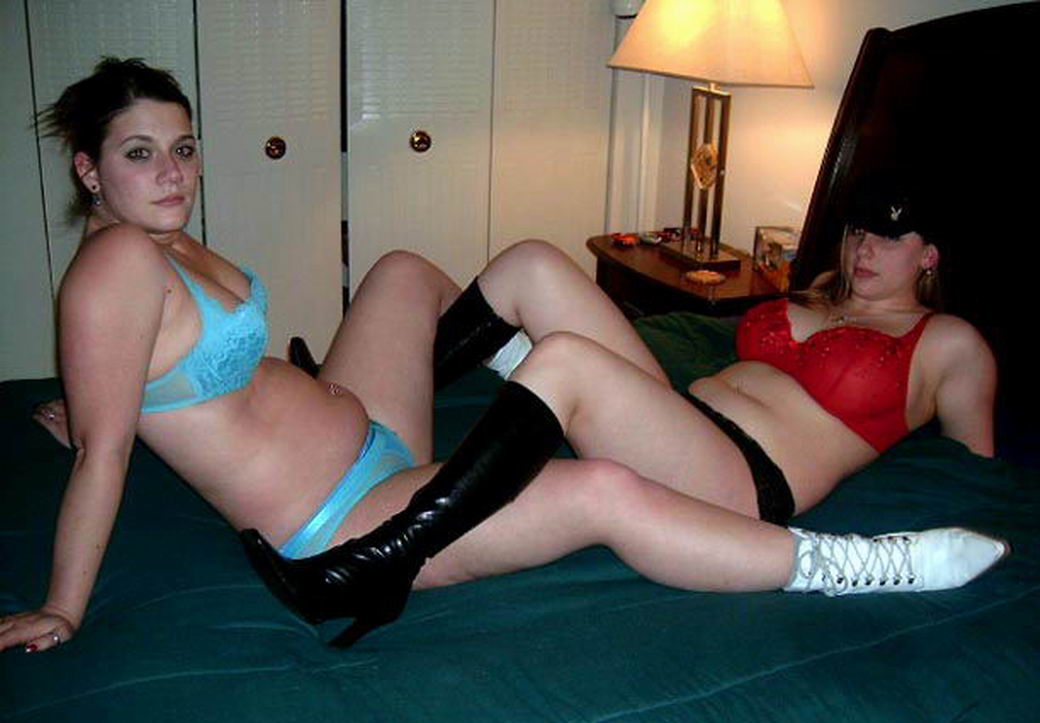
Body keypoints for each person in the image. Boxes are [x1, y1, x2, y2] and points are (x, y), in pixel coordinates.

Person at [0, 58, 1005, 656]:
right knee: (600, 483)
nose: (172, 172)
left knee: (405, 271)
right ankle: (849, 566)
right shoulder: (115, 267)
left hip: (370, 438)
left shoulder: (166, 242)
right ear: (89, 169)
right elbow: (106, 457)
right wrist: (62, 605)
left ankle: (530, 372)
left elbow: (145, 380)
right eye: (140, 154)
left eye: (181, 148)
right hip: (349, 520)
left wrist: (99, 398)